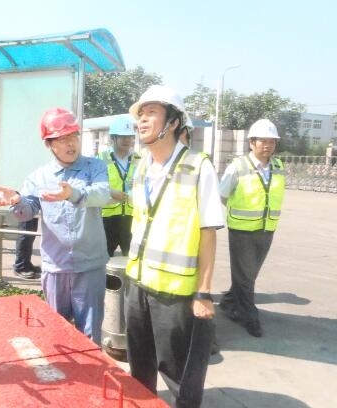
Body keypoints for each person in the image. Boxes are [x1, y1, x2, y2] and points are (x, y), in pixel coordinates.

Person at [124, 85, 225, 408]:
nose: (142, 120)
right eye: (140, 114)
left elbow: (208, 232)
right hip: (137, 284)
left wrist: (204, 293)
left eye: (151, 112)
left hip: (175, 292)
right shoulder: (142, 165)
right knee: (139, 369)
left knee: (179, 376)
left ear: (173, 122)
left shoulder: (198, 166)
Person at [0, 107, 110, 345]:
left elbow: (102, 194)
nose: (71, 144)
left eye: (74, 136)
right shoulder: (38, 177)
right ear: (49, 144)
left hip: (90, 266)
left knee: (90, 336)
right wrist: (16, 201)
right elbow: (27, 211)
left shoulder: (95, 167)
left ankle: (92, 369)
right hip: (56, 266)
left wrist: (73, 194)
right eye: (63, 139)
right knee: (58, 334)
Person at [218, 119, 285, 338]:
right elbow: (222, 194)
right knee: (246, 278)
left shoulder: (278, 166)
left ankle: (228, 301)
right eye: (263, 141)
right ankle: (249, 317)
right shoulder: (238, 167)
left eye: (271, 141)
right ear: (251, 143)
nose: (267, 145)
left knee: (248, 275)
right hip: (242, 231)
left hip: (266, 229)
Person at [99, 115, 140, 257]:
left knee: (132, 259)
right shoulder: (101, 159)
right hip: (107, 219)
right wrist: (110, 192)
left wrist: (139, 184)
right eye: (122, 137)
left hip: (132, 217)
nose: (127, 140)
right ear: (113, 138)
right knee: (103, 259)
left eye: (129, 137)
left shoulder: (140, 159)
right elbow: (93, 185)